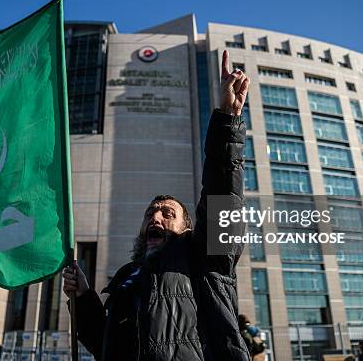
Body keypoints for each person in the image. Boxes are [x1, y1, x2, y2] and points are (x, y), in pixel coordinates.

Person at [62, 50, 251, 360]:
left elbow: (223, 197)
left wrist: (228, 119)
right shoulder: (127, 276)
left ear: (186, 228)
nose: (156, 217)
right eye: (150, 213)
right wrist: (83, 297)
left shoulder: (206, 261)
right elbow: (105, 346)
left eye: (168, 213)